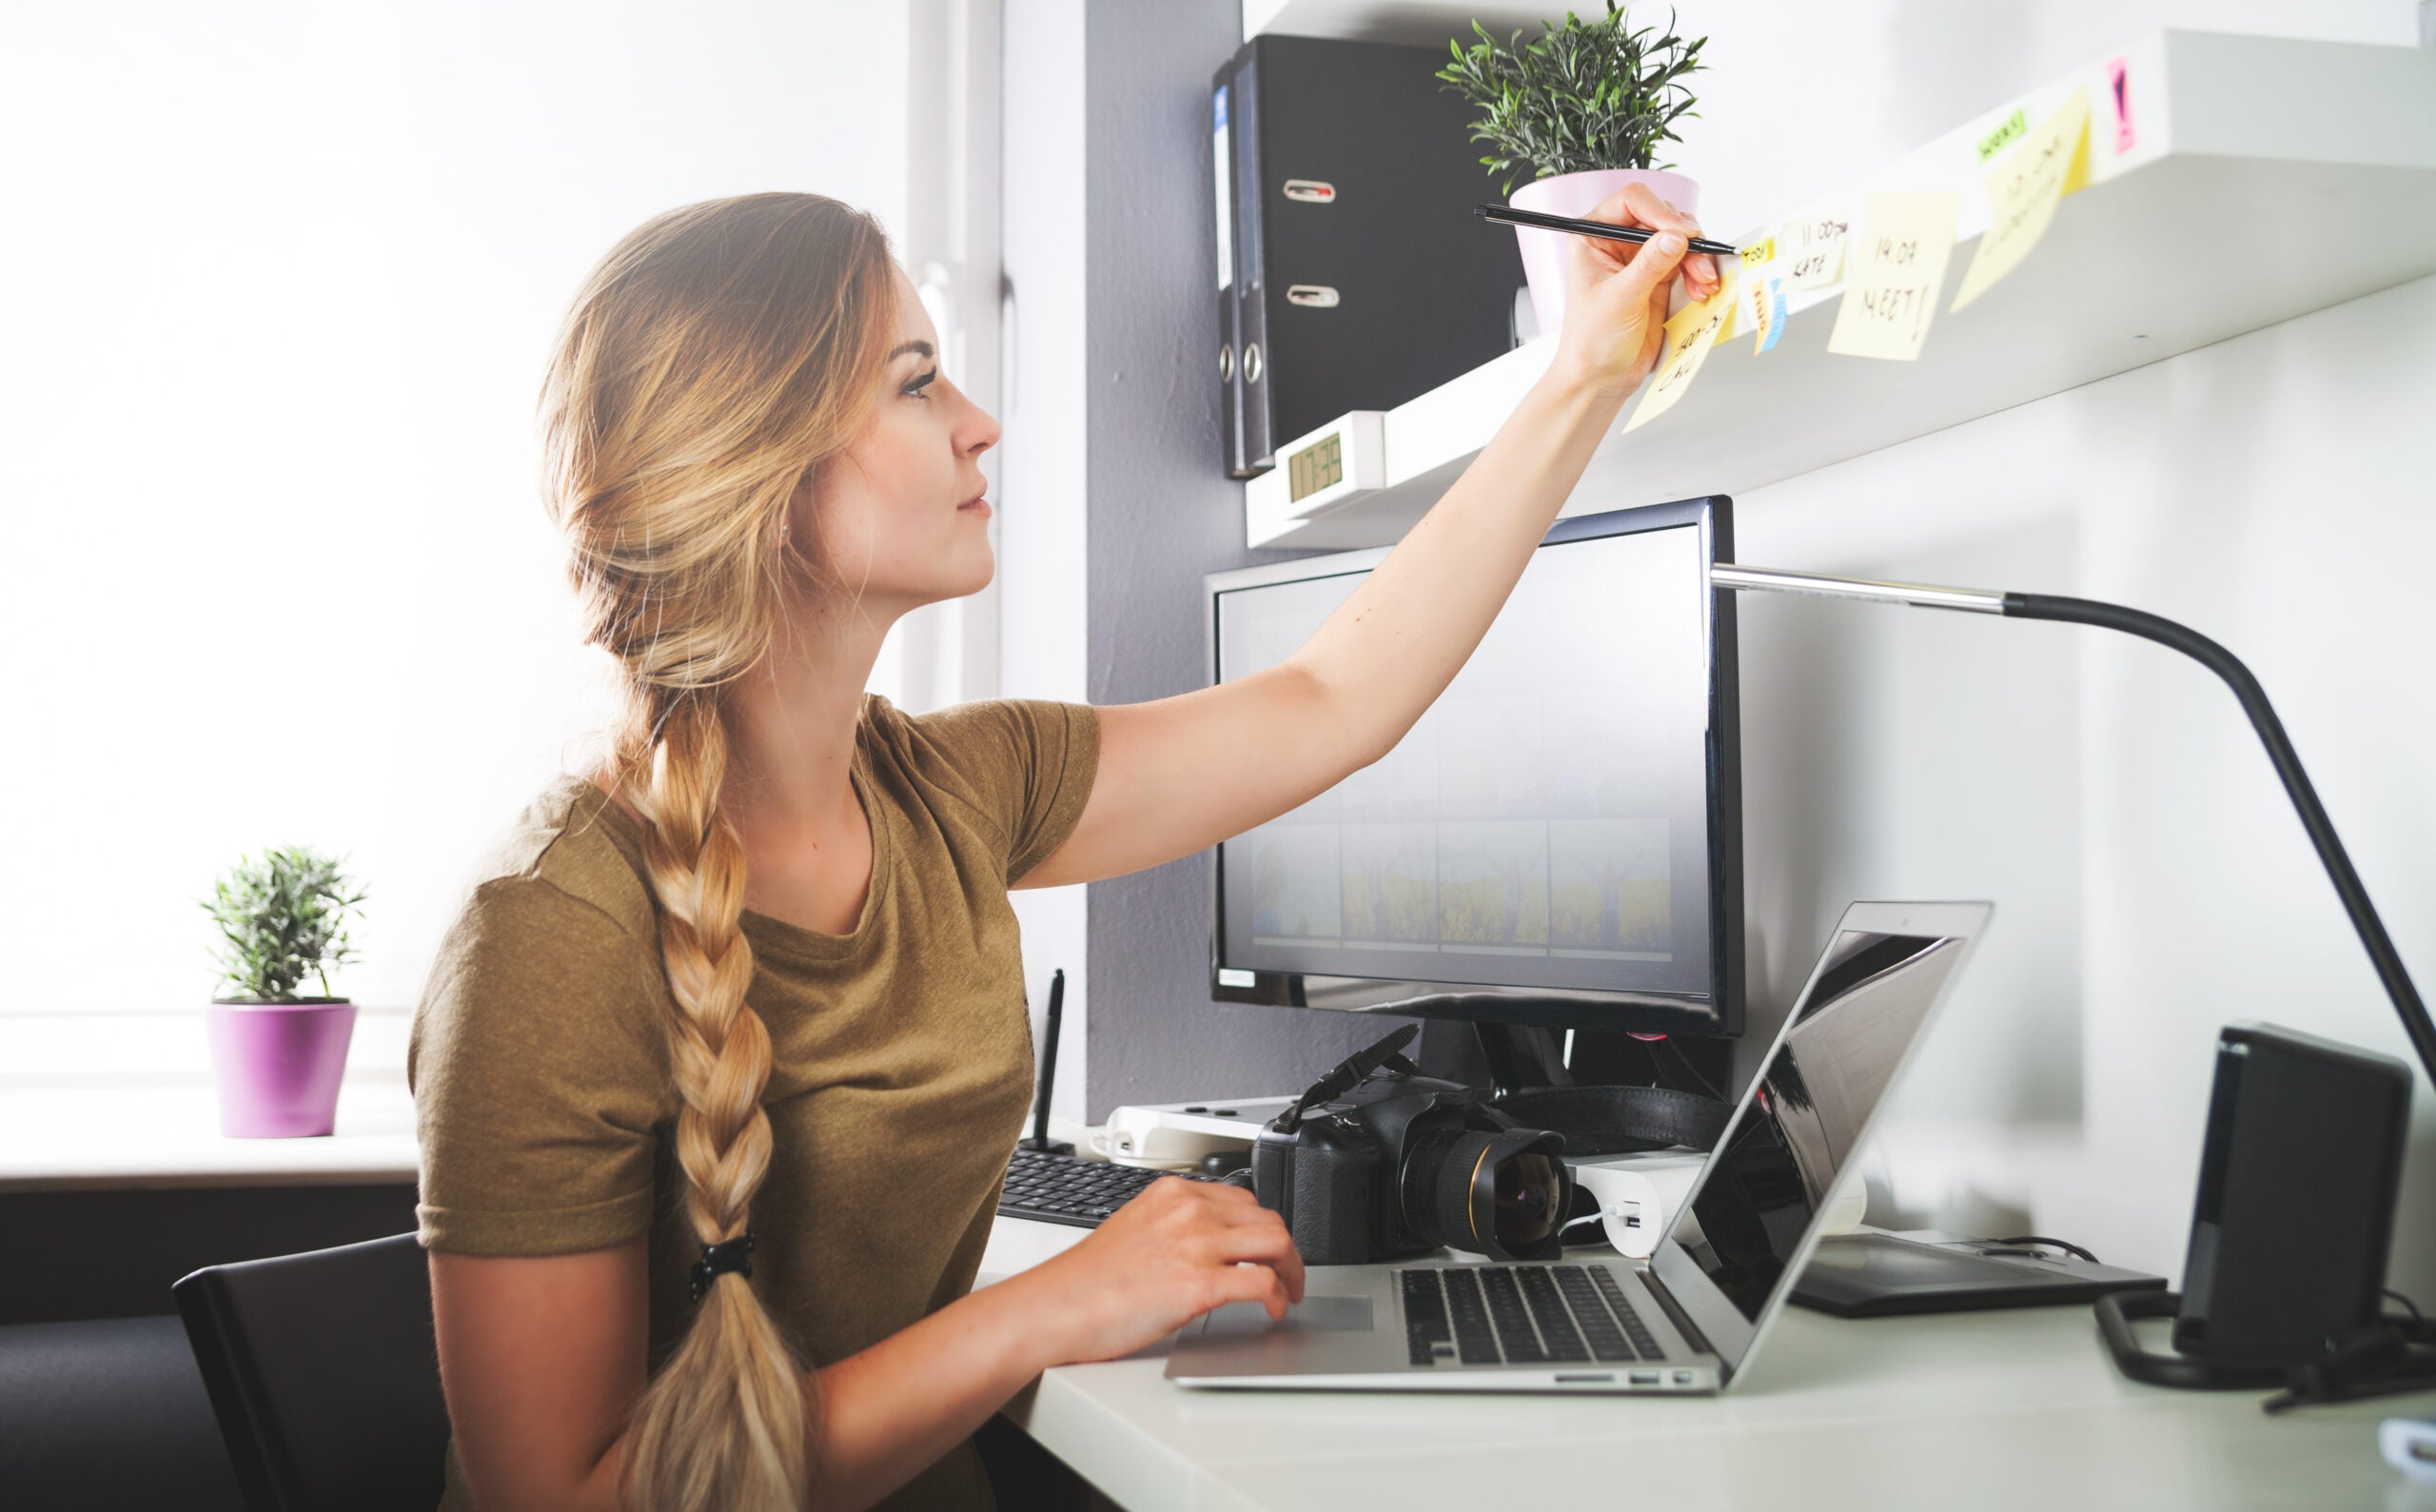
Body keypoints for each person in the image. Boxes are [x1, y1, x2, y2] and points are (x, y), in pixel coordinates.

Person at [409, 183, 1717, 1512]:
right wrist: (1046, 1308)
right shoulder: (546, 929)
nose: (980, 422)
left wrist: (1582, 378)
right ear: (762, 470)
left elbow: (1336, 700)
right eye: (918, 383)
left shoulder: (952, 789)